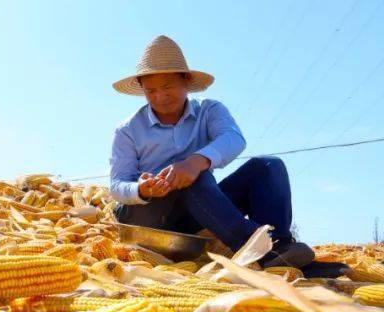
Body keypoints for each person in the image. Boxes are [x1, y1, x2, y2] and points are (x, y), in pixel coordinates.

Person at [108, 35, 315, 268]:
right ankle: (258, 248)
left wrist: (196, 162)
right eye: (151, 91)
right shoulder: (128, 130)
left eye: (167, 87)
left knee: (268, 166)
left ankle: (280, 245)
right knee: (196, 179)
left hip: (198, 210)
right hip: (147, 217)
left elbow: (233, 137)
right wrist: (142, 189)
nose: (159, 97)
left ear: (186, 80)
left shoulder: (209, 111)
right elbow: (117, 185)